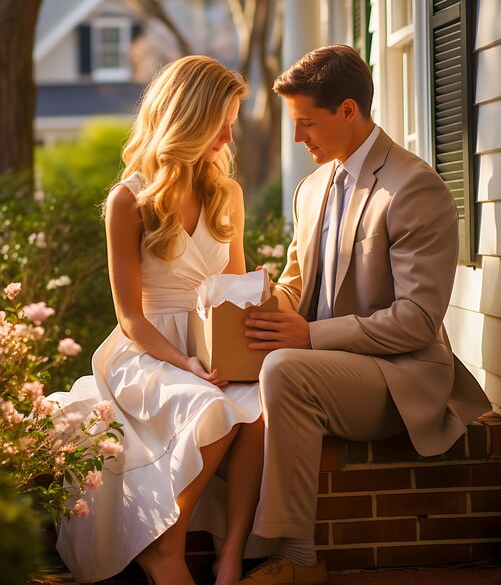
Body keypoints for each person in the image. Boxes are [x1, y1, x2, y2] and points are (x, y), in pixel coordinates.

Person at [239, 45, 491, 585]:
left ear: (348, 111)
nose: (297, 137)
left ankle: (298, 558)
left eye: (307, 123)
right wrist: (258, 302)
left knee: (285, 368)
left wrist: (308, 335)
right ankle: (232, 549)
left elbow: (418, 321)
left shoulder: (412, 186)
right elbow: (297, 285)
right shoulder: (312, 189)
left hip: (401, 376)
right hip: (331, 368)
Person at [47, 55, 264, 585]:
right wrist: (184, 361)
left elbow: (230, 296)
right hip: (147, 353)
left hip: (209, 348)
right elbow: (130, 318)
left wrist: (255, 312)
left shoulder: (226, 194)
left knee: (260, 407)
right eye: (222, 122)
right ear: (189, 117)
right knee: (210, 405)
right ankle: (167, 548)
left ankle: (231, 553)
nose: (229, 137)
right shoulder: (129, 200)